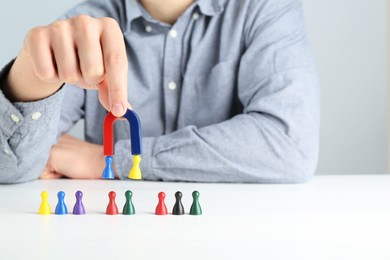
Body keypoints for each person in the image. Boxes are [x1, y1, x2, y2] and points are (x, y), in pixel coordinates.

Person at [0, 0, 320, 184]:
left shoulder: (264, 9)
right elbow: (14, 167)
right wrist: (31, 79)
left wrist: (111, 161)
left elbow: (290, 146)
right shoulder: (84, 25)